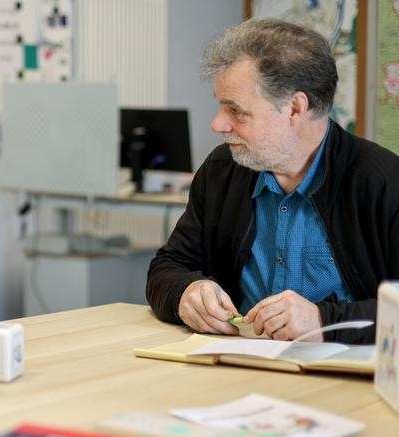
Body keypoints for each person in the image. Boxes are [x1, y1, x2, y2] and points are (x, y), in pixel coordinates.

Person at [146, 18, 399, 344]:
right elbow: (168, 266)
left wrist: (322, 320)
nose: (218, 123)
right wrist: (186, 293)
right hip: (237, 368)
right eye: (220, 106)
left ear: (295, 108)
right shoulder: (223, 170)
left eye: (236, 111)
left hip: (344, 381)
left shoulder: (382, 181)